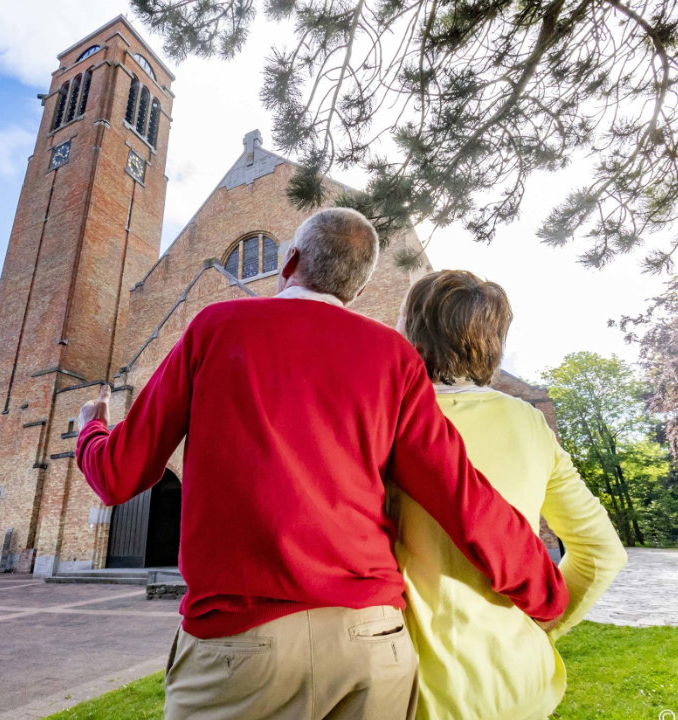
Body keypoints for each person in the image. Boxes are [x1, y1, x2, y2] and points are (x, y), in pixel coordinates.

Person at [76, 208, 568, 720]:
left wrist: (91, 428)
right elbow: (462, 494)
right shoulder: (393, 357)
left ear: (288, 261)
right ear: (355, 289)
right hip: (368, 645)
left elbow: (118, 475)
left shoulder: (215, 328)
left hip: (240, 649)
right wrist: (548, 594)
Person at [394, 270, 627, 720]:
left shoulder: (385, 420)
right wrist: (544, 626)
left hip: (416, 693)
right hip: (521, 686)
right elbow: (602, 552)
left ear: (412, 330)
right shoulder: (529, 424)